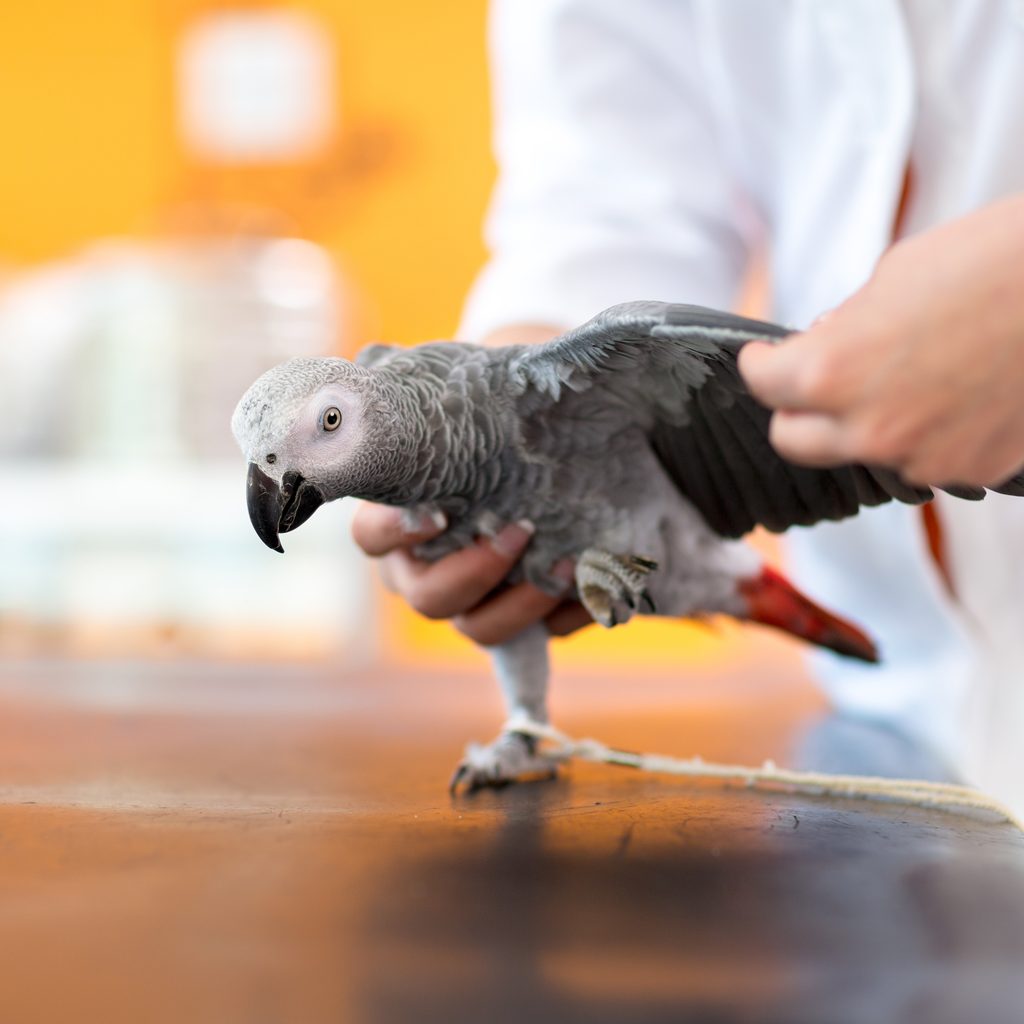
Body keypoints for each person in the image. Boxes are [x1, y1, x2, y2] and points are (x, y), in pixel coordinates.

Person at [353, 2, 1024, 809]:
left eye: (327, 424)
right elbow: (608, 196)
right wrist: (536, 422)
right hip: (911, 719)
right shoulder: (443, 455)